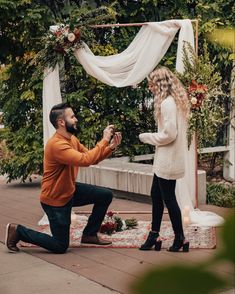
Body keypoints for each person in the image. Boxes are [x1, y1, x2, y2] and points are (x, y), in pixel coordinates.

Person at [5, 102, 122, 254]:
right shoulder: (57, 145)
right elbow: (85, 160)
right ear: (61, 122)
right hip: (56, 200)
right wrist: (104, 139)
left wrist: (110, 147)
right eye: (72, 116)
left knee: (105, 195)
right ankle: (18, 231)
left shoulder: (71, 139)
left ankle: (89, 234)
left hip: (69, 190)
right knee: (60, 246)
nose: (76, 119)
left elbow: (91, 158)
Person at [139, 66, 190, 252]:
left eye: (152, 84)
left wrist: (146, 137)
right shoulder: (173, 101)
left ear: (159, 84)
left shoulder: (168, 103)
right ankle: (155, 234)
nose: (150, 88)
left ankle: (180, 238)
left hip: (168, 159)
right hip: (167, 158)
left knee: (168, 199)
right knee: (156, 195)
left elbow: (169, 134)